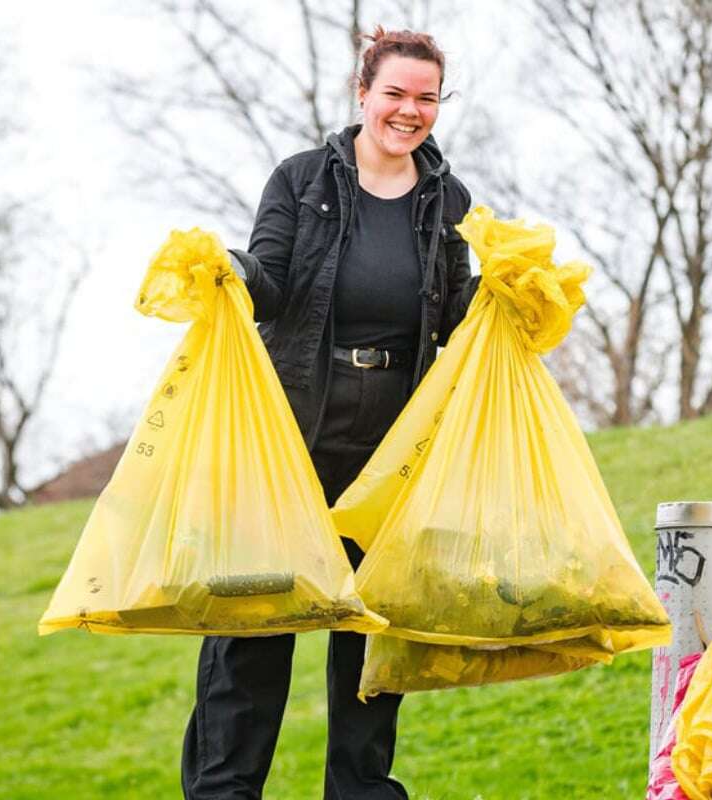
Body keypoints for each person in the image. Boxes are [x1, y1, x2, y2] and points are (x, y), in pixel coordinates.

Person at [181, 26, 479, 800]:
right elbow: (271, 280)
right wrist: (230, 273)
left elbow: (453, 313)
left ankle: (360, 792)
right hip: (293, 433)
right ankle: (224, 791)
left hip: (392, 447)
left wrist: (511, 296)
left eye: (426, 98)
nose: (409, 111)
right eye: (396, 94)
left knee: (370, 633)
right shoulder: (303, 178)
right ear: (363, 93)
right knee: (253, 625)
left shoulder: (449, 200)